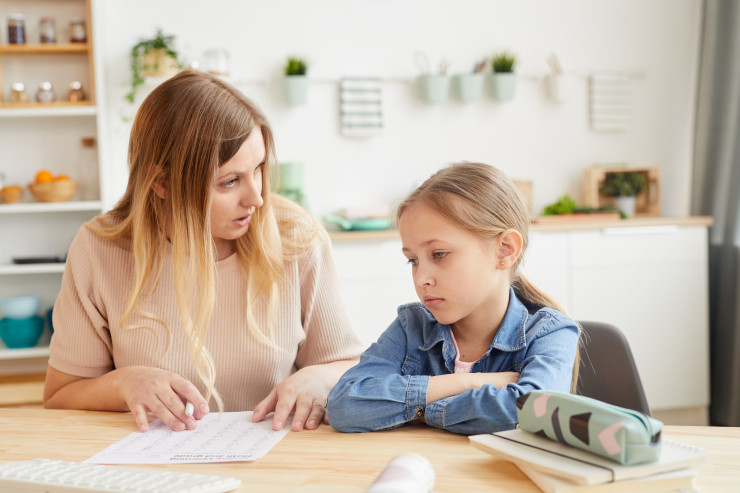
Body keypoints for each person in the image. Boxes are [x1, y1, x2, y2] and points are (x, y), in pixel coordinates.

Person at [43, 70, 363, 434]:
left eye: (258, 169)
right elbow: (61, 395)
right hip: (145, 462)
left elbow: (346, 366)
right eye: (230, 181)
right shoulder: (99, 249)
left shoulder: (297, 237)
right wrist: (123, 383)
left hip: (279, 456)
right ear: (161, 182)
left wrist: (319, 378)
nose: (257, 198)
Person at [326, 162, 580, 435]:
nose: (421, 278)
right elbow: (344, 404)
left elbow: (534, 412)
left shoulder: (551, 332)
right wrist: (470, 383)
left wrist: (420, 412)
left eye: (439, 254)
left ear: (504, 250)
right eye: (413, 260)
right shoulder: (411, 326)